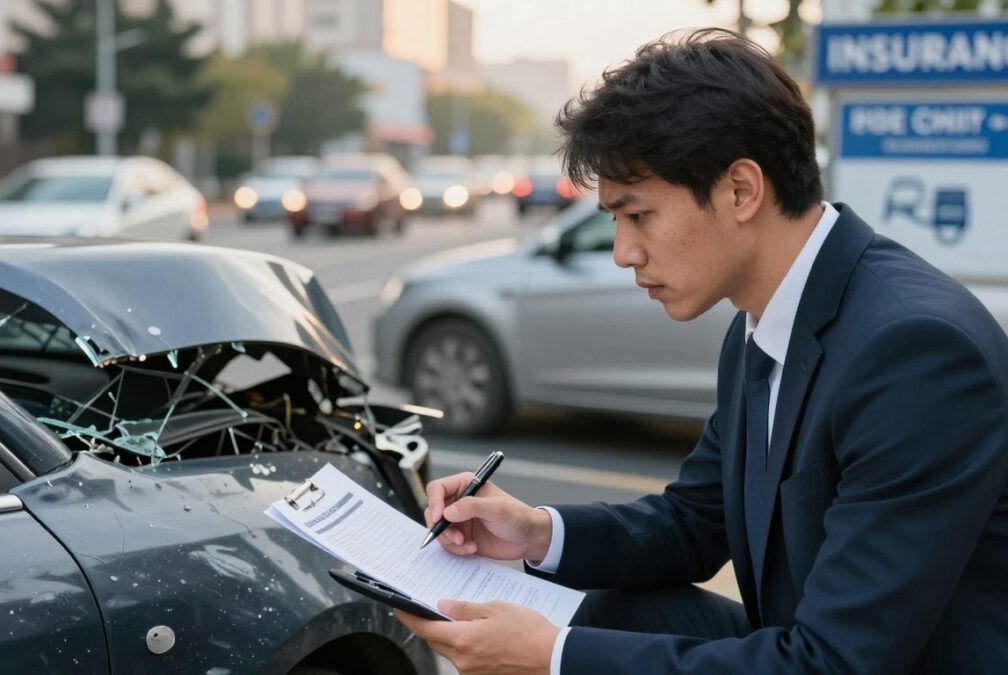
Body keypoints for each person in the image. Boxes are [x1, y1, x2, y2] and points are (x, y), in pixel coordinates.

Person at [394, 28, 1008, 675]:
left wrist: (551, 655)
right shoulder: (766, 321)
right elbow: (695, 519)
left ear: (741, 190)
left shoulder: (914, 354)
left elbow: (833, 663)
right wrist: (536, 531)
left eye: (638, 215)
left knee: (575, 646)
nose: (623, 252)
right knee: (612, 610)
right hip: (819, 648)